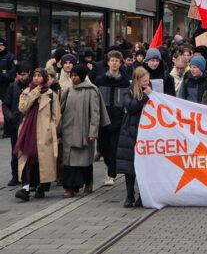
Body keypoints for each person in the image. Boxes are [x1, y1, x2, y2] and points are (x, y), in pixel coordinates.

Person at [60, 64, 107, 197]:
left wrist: (93, 132)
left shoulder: (91, 91)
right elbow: (60, 110)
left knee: (84, 161)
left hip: (84, 132)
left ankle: (88, 182)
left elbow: (95, 113)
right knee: (68, 161)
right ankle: (69, 187)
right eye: (72, 75)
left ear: (82, 76)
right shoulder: (69, 90)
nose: (73, 78)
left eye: (76, 76)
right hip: (68, 131)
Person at [15, 68, 61, 201]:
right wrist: (34, 92)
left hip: (44, 131)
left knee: (42, 160)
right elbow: (22, 108)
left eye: (39, 76)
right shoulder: (27, 91)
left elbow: (56, 115)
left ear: (45, 78)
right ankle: (26, 188)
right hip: (28, 130)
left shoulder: (51, 94)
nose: (36, 78)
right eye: (34, 76)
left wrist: (51, 127)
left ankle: (42, 187)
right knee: (27, 158)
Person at [92, 50, 132, 186]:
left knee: (114, 148)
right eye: (112, 60)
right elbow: (95, 100)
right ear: (108, 62)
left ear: (120, 63)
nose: (115, 63)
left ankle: (111, 174)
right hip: (102, 119)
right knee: (103, 148)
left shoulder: (125, 81)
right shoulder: (100, 80)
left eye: (117, 61)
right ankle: (109, 167)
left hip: (118, 120)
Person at [116, 67, 151, 208]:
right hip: (130, 132)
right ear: (137, 80)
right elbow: (131, 107)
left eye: (147, 80)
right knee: (129, 166)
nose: (146, 83)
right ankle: (129, 195)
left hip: (146, 132)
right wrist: (144, 97)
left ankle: (142, 196)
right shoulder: (128, 91)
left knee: (144, 167)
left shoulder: (150, 90)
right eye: (143, 81)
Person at [3, 62, 31, 186]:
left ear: (29, 74)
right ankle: (16, 176)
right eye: (20, 74)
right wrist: (10, 117)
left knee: (29, 151)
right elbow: (5, 104)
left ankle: (28, 176)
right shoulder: (12, 87)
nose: (22, 77)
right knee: (15, 151)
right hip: (15, 124)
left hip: (28, 124)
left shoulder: (32, 87)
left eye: (24, 74)